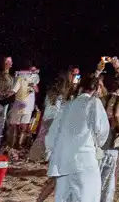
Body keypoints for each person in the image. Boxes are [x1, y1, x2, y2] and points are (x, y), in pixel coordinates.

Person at [46, 65, 110, 202]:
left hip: (62, 163)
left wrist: (52, 151)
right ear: (97, 89)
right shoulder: (93, 103)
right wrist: (98, 145)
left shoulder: (67, 105)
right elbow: (102, 131)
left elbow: (52, 136)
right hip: (84, 162)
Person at [100, 66, 119, 202]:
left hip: (100, 140)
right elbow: (116, 113)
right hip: (111, 140)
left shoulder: (102, 97)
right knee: (108, 178)